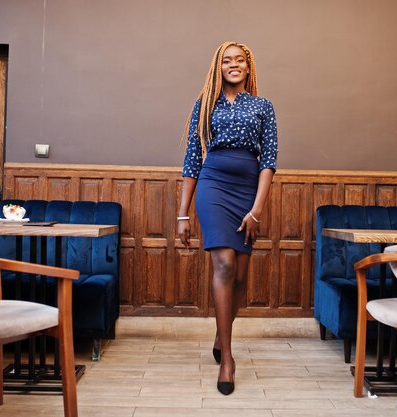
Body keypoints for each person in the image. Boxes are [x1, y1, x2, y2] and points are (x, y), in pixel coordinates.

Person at [178, 41, 278, 395]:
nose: (233, 65)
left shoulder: (263, 107)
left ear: (248, 68)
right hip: (214, 185)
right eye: (227, 61)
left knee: (240, 277)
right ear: (218, 67)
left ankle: (221, 334)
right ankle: (228, 359)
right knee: (223, 264)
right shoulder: (204, 105)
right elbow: (192, 159)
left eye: (239, 61)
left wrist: (256, 210)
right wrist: (182, 213)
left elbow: (269, 162)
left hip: (248, 192)